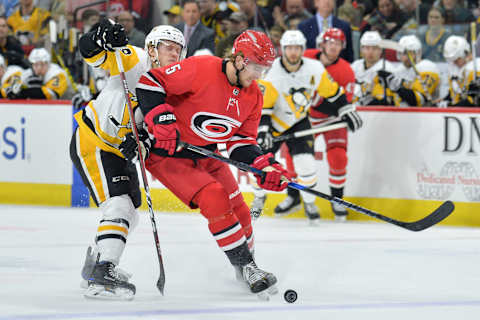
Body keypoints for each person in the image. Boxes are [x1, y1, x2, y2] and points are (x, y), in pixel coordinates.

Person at [129, 30, 288, 299]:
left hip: (206, 155)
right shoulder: (202, 68)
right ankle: (248, 266)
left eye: (265, 69)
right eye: (256, 67)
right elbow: (150, 83)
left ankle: (243, 266)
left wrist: (264, 166)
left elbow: (240, 143)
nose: (259, 75)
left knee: (242, 212)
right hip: (168, 155)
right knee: (214, 197)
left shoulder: (254, 96)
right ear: (239, 59)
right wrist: (162, 119)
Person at [70, 19, 186, 300]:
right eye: (166, 47)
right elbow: (91, 54)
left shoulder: (174, 87)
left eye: (178, 49)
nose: (173, 54)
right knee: (119, 207)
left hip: (115, 151)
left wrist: (143, 142)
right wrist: (99, 32)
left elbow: (156, 131)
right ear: (151, 48)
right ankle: (103, 270)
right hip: (94, 142)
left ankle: (96, 261)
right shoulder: (132, 58)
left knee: (130, 214)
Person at [249, 30, 362, 224]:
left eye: (297, 48)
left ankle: (309, 202)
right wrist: (264, 130)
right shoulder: (271, 72)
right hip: (272, 123)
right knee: (258, 165)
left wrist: (345, 109)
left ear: (302, 49)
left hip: (299, 121)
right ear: (282, 50)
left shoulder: (315, 68)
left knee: (306, 166)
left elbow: (333, 93)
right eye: (289, 48)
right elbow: (263, 106)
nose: (293, 52)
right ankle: (259, 197)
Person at [296, 28, 356, 221]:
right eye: (331, 42)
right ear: (322, 44)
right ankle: (299, 198)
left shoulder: (346, 70)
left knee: (338, 157)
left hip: (331, 120)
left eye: (338, 44)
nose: (334, 47)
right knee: (296, 157)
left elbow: (343, 105)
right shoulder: (305, 57)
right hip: (305, 117)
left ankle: (337, 200)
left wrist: (320, 103)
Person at [380, 35, 441, 107]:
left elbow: (419, 100)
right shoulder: (399, 70)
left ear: (418, 53)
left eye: (410, 53)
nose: (405, 57)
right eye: (402, 53)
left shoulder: (428, 68)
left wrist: (396, 84)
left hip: (426, 114)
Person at [351, 31, 398, 106]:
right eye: (367, 48)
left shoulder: (388, 68)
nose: (370, 52)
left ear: (380, 50)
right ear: (361, 49)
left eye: (374, 48)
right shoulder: (355, 66)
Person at [440, 35, 480, 106]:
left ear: (465, 53)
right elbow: (456, 92)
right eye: (452, 60)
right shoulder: (456, 69)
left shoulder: (476, 67)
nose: (454, 63)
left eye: (456, 59)